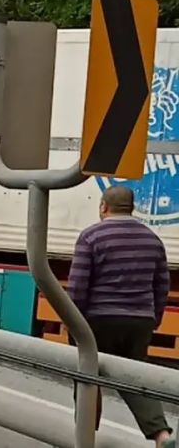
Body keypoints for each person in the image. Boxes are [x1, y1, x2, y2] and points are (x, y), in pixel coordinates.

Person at [68, 186, 172, 447]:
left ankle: (86, 436)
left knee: (88, 375)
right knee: (135, 377)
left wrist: (74, 322)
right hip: (140, 320)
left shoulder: (91, 236)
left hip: (98, 320)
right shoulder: (152, 239)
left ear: (103, 206)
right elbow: (162, 285)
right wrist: (154, 318)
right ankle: (161, 435)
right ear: (132, 208)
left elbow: (78, 285)